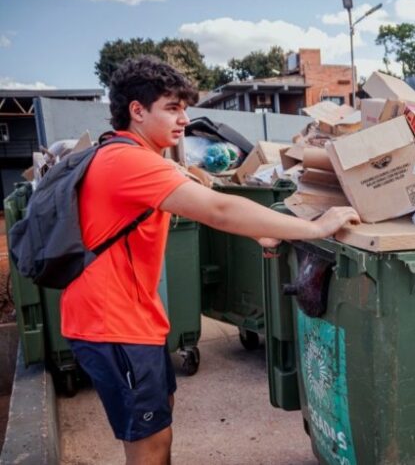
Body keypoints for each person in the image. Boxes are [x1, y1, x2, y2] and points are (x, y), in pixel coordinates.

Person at [60, 56, 360, 465]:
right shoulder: (127, 162)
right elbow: (217, 209)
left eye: (184, 107)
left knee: (157, 424)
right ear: (137, 110)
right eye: (172, 107)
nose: (184, 118)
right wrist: (316, 228)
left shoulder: (131, 155)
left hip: (132, 320)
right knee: (149, 445)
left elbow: (189, 198)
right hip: (112, 325)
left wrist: (259, 229)